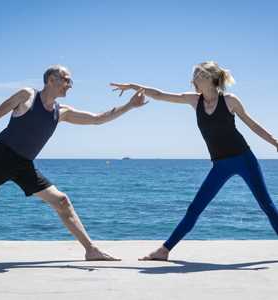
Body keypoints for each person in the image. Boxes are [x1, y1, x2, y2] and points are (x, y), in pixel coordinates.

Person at [111, 61, 278, 260]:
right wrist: (133, 86)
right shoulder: (194, 100)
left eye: (196, 77)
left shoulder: (230, 100)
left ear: (208, 78)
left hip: (244, 159)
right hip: (220, 165)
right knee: (195, 208)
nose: (192, 81)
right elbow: (161, 95)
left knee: (266, 205)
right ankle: (164, 250)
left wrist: (275, 142)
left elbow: (253, 125)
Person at [0, 65, 147, 261]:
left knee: (62, 201)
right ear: (51, 79)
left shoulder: (62, 112)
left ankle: (91, 250)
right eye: (66, 80)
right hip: (0, 157)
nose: (69, 85)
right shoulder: (27, 96)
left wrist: (129, 106)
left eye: (70, 81)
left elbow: (98, 119)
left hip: (24, 165)